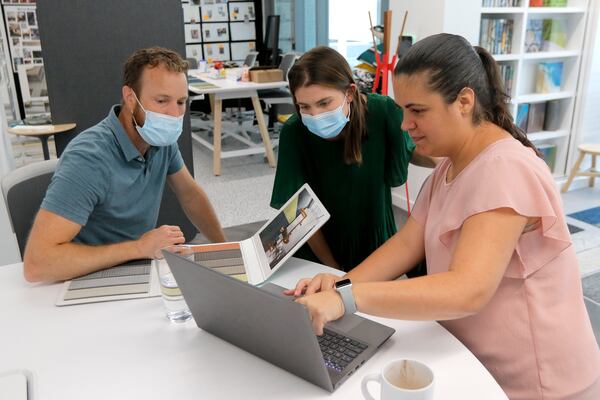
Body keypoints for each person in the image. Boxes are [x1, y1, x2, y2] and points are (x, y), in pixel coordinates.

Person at [286, 34, 600, 399]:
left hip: (535, 380)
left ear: (464, 101)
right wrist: (341, 287)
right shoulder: (451, 168)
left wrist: (347, 300)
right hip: (473, 360)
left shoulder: (505, 169)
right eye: (403, 110)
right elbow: (406, 244)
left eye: (417, 111)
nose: (405, 124)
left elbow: (467, 289)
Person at [24, 47, 226, 283]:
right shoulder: (89, 157)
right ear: (131, 98)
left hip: (135, 270)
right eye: (162, 101)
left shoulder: (160, 140)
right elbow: (37, 264)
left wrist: (226, 250)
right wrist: (139, 248)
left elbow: (190, 195)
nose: (174, 113)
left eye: (181, 102)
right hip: (83, 278)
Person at [270, 46, 436, 272]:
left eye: (324, 103)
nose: (315, 116)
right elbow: (300, 213)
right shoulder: (294, 132)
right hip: (319, 245)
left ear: (349, 93)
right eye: (304, 106)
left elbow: (412, 152)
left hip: (374, 237)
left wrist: (454, 160)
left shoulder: (382, 112)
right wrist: (333, 269)